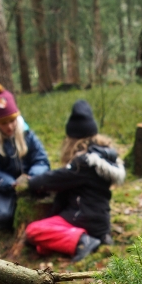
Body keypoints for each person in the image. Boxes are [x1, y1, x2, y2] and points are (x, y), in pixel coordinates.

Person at [24, 100, 124, 261]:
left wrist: (30, 182)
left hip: (81, 219)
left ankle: (82, 241)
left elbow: (52, 179)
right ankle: (90, 238)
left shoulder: (83, 164)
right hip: (98, 221)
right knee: (41, 246)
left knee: (33, 231)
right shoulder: (101, 158)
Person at [0, 82, 50, 231]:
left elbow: (41, 160)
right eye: (3, 123)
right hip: (4, 188)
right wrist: (10, 183)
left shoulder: (27, 135)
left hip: (31, 183)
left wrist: (32, 177)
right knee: (4, 218)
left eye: (11, 121)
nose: (9, 127)